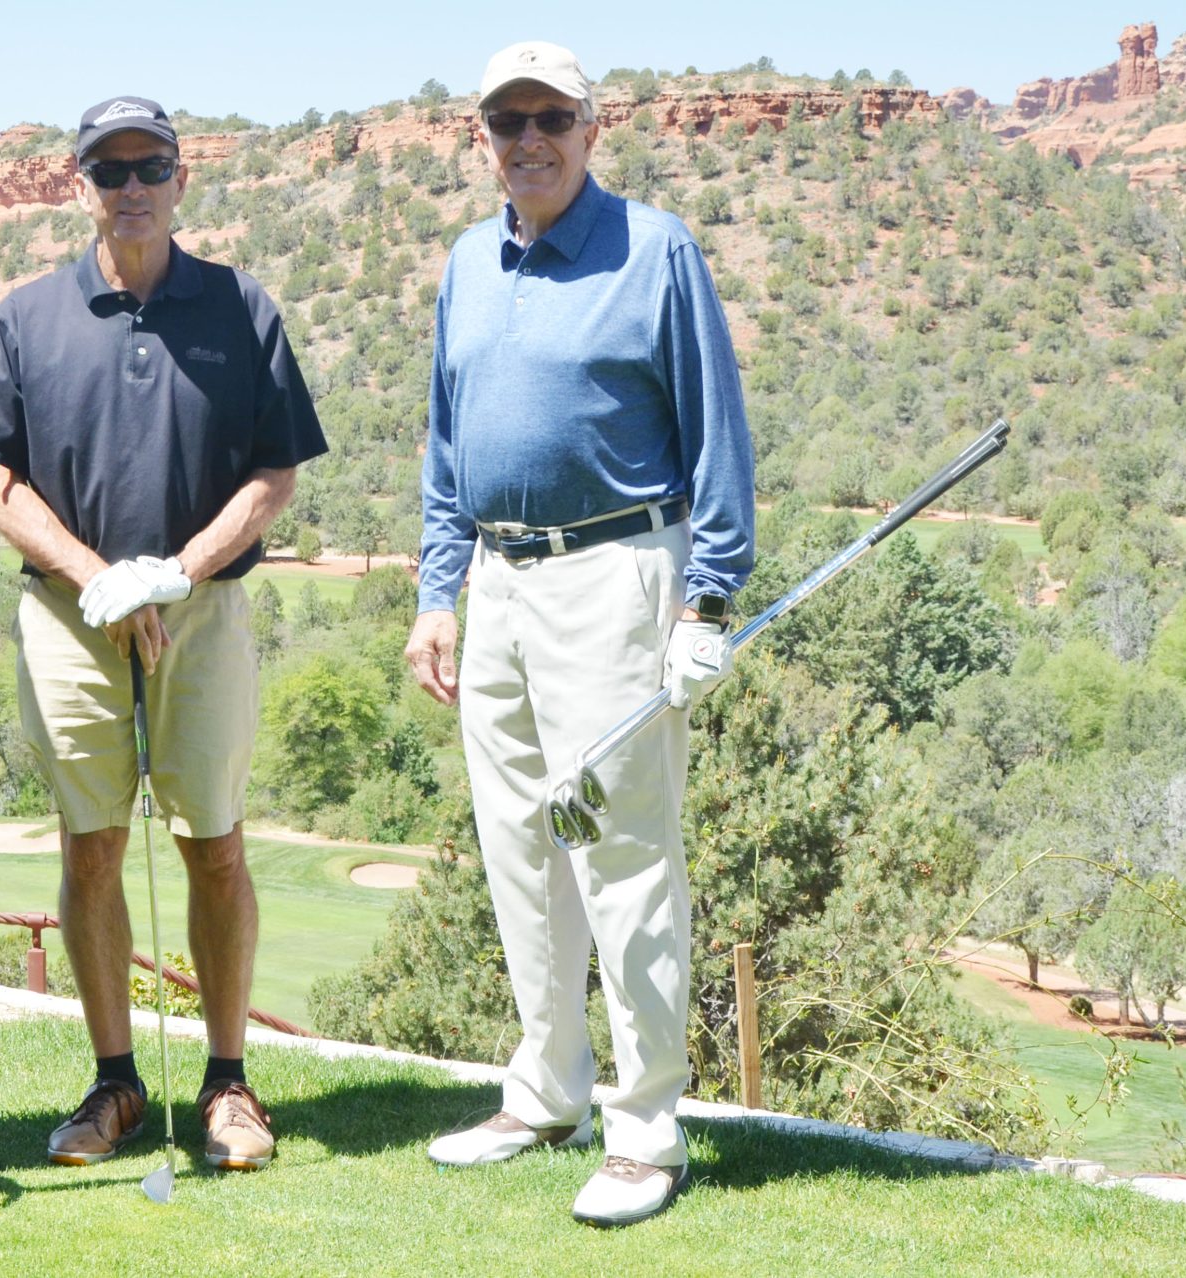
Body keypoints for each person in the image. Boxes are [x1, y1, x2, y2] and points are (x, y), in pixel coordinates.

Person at [402, 41, 754, 1227]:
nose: (529, 140)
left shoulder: (654, 249)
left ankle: (645, 1128)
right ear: (481, 137)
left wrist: (710, 597)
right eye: (507, 122)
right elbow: (446, 448)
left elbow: (716, 432)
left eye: (550, 118)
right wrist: (437, 594)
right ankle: (545, 1089)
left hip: (616, 573)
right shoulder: (468, 260)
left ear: (591, 129)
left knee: (621, 854)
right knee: (519, 851)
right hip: (496, 582)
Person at [0, 96, 328, 1173]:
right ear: (77, 183)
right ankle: (115, 1083)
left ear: (182, 178)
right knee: (90, 848)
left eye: (149, 166)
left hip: (202, 610)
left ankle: (227, 1081)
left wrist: (179, 572)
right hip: (68, 615)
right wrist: (99, 581)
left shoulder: (239, 305)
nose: (130, 186)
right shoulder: (26, 316)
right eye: (108, 169)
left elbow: (275, 472)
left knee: (212, 844)